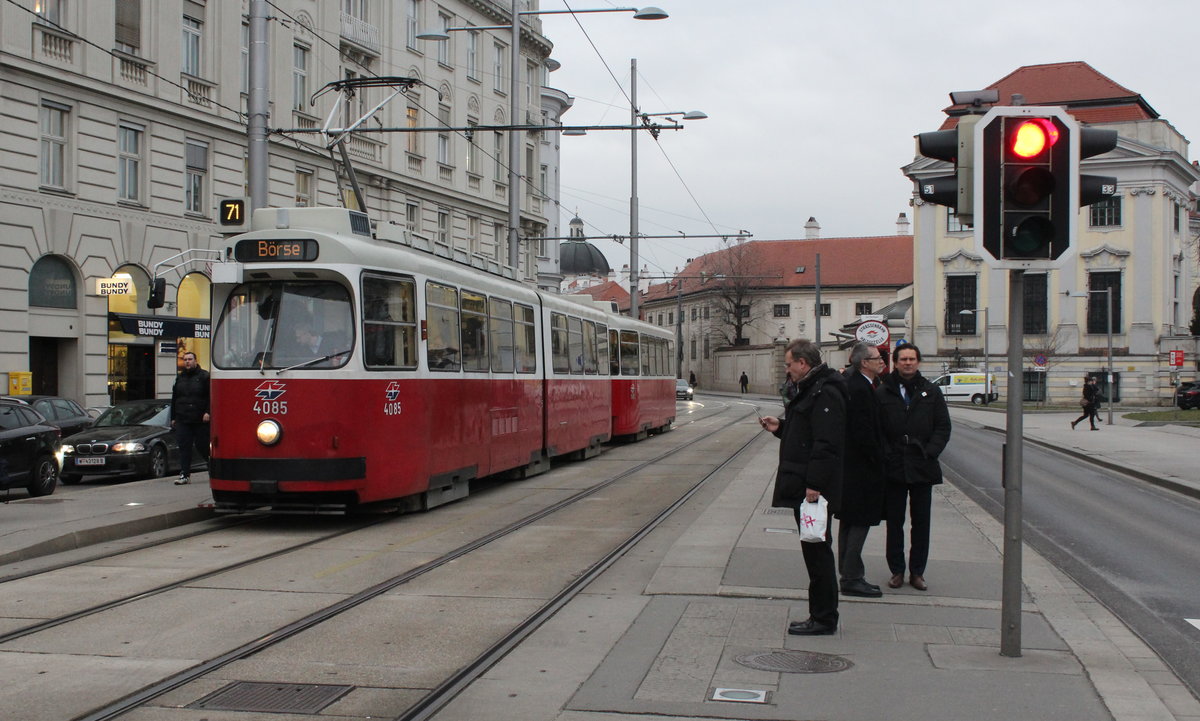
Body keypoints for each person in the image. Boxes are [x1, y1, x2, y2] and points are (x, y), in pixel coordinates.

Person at [759, 339, 847, 635]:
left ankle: (823, 618)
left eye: (788, 364)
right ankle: (820, 614)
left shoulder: (826, 392)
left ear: (803, 364)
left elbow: (826, 443)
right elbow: (807, 434)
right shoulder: (813, 388)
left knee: (818, 551)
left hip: (813, 490)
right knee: (815, 550)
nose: (787, 370)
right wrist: (781, 428)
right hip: (807, 484)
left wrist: (814, 485)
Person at [877, 343, 951, 592]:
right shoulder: (883, 391)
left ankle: (917, 572)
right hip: (894, 466)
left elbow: (943, 427)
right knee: (894, 522)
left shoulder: (931, 391)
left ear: (918, 362)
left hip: (922, 465)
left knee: (921, 523)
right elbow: (876, 429)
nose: (908, 363)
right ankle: (897, 570)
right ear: (895, 362)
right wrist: (887, 453)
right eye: (903, 359)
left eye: (912, 359)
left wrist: (930, 452)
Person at [836, 342, 887, 598]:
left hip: (852, 469)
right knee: (859, 522)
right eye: (878, 357)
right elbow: (864, 433)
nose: (882, 360)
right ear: (864, 362)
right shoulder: (860, 389)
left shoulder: (857, 384)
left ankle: (848, 572)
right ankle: (852, 576)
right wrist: (879, 458)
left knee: (849, 522)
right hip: (861, 470)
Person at [170, 351, 210, 485]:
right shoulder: (180, 378)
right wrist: (173, 417)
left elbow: (211, 396)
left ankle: (212, 468)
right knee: (184, 447)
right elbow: (175, 398)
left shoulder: (204, 376)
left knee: (202, 446)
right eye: (185, 359)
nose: (187, 362)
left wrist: (208, 412)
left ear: (195, 360)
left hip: (200, 418)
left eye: (190, 359)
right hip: (183, 417)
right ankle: (184, 474)